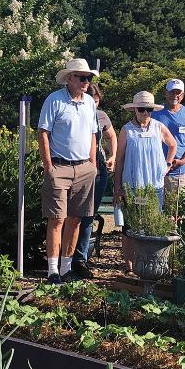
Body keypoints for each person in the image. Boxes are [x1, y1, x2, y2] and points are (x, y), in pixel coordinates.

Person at [38, 58, 99, 284]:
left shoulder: (90, 103)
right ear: (70, 78)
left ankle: (66, 268)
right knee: (57, 219)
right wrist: (48, 167)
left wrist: (92, 164)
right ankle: (52, 271)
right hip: (59, 166)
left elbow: (93, 134)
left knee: (75, 220)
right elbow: (42, 132)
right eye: (82, 78)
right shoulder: (54, 100)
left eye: (89, 78)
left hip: (84, 167)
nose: (86, 82)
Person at [112, 91, 176, 273]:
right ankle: (130, 265)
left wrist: (168, 164)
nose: (145, 113)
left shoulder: (158, 127)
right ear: (134, 110)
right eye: (142, 109)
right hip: (132, 185)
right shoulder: (126, 130)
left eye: (148, 109)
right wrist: (117, 187)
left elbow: (173, 144)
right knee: (130, 226)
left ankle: (149, 263)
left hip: (154, 185)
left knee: (151, 224)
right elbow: (120, 160)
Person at [71, 82, 117, 279]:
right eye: (93, 101)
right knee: (71, 216)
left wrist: (113, 156)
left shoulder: (101, 116)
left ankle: (81, 258)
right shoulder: (74, 111)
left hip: (98, 169)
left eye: (97, 102)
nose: (95, 105)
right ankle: (66, 257)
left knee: (89, 215)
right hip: (76, 165)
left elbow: (111, 136)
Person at [152, 79, 185, 193]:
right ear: (165, 93)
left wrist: (183, 161)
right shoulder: (154, 113)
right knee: (155, 208)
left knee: (179, 208)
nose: (175, 95)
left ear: (183, 95)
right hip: (156, 170)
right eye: (172, 92)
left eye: (178, 92)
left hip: (182, 172)